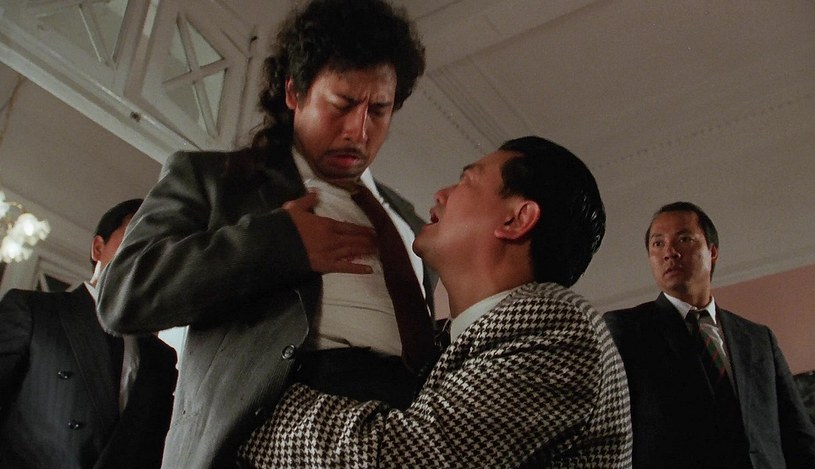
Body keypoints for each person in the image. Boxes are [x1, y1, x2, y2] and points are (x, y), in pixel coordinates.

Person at [97, 1, 437, 467]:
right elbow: (123, 294)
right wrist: (276, 243)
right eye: (342, 104)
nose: (359, 131)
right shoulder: (215, 179)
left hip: (399, 432)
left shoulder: (408, 220)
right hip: (268, 433)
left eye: (378, 110)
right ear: (294, 92)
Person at [237, 136, 633, 468]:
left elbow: (399, 460)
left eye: (466, 181)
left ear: (516, 220)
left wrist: (247, 399)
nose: (441, 194)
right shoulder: (448, 343)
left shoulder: (560, 327)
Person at [604, 201, 815, 469]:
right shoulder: (627, 330)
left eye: (683, 239)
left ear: (712, 252)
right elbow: (610, 434)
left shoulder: (758, 340)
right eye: (658, 244)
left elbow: (798, 436)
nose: (669, 252)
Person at [0, 199, 178, 469]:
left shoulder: (162, 359)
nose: (148, 252)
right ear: (98, 248)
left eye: (160, 245)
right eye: (137, 235)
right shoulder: (34, 310)